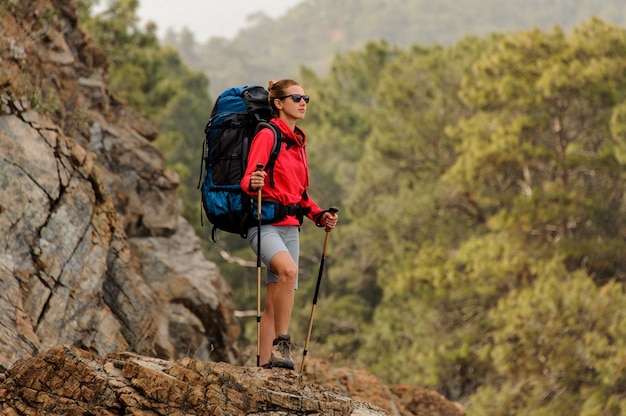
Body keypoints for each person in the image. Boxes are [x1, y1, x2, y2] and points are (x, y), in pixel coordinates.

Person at [240, 79, 338, 369]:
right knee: (289, 271)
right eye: (296, 97)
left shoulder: (298, 143)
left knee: (273, 301)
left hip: (291, 228)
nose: (303, 101)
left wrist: (320, 215)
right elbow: (247, 179)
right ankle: (283, 344)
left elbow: (301, 196)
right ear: (279, 104)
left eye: (305, 96)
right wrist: (253, 182)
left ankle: (266, 366)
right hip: (264, 225)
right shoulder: (268, 135)